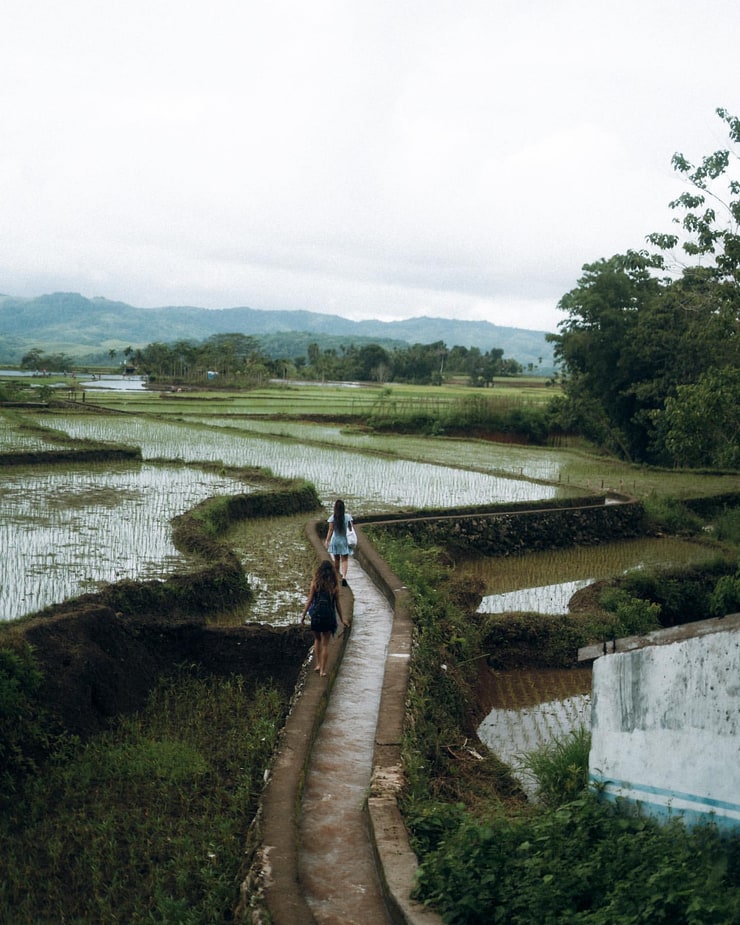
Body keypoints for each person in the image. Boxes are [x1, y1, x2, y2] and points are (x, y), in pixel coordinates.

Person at [301, 560, 347, 676]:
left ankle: (317, 664)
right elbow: (338, 604)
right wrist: (342, 619)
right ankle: (322, 670)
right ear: (332, 573)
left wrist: (303, 615)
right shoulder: (334, 586)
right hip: (328, 616)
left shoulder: (315, 583)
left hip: (316, 616)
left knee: (317, 640)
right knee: (325, 644)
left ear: (319, 571)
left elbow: (310, 600)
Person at [325, 498, 354, 586]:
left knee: (336, 559)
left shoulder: (332, 518)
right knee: (344, 560)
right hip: (344, 541)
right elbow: (350, 529)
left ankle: (337, 577)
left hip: (336, 540)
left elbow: (330, 530)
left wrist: (327, 540)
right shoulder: (348, 517)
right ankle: (344, 577)